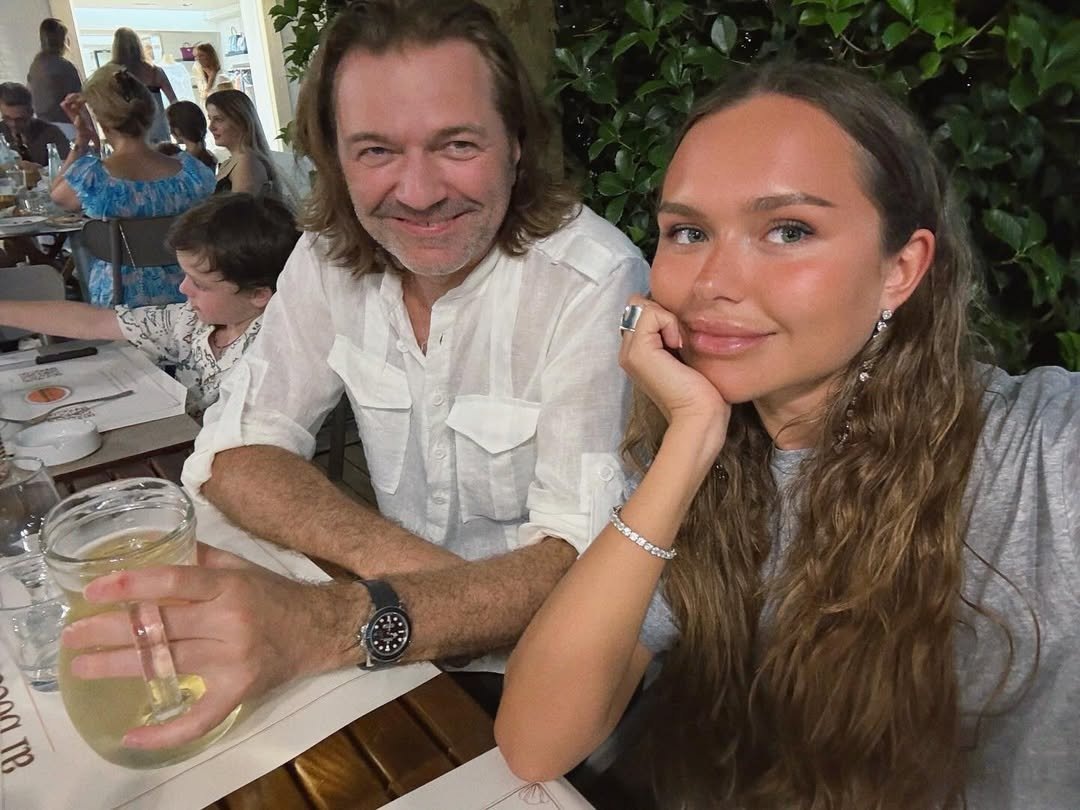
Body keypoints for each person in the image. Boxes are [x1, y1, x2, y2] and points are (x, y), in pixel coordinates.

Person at [60, 0, 647, 752]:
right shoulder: (329, 254)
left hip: (550, 683)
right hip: (400, 649)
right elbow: (232, 454)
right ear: (334, 160)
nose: (420, 192)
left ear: (518, 146)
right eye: (375, 151)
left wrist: (333, 620)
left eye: (457, 144)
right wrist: (422, 589)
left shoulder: (593, 280)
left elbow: (582, 566)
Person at [494, 62, 1080, 809]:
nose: (713, 281)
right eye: (688, 232)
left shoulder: (1039, 454)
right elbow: (536, 740)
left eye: (788, 230)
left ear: (901, 269)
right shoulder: (710, 458)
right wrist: (688, 444)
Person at [0, 193, 295, 417]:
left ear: (258, 295)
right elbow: (93, 322)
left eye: (201, 284)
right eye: (185, 276)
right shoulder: (191, 322)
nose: (183, 288)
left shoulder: (271, 356)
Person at [51, 65, 216, 307]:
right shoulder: (193, 175)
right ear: (150, 114)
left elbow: (56, 195)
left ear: (103, 122)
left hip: (120, 303)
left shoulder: (93, 178)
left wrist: (82, 140)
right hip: (188, 295)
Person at [110, 26, 177, 144]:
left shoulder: (115, 75)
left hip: (132, 134)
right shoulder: (155, 71)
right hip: (158, 129)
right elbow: (174, 101)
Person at [205, 89, 278, 197]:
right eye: (210, 119)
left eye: (218, 119)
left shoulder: (247, 164)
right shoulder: (234, 161)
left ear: (241, 121)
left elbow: (241, 207)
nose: (211, 127)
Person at [27, 18, 84, 140]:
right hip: (67, 127)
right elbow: (79, 103)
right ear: (63, 40)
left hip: (42, 129)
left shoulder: (35, 66)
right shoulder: (65, 66)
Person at [0, 81, 69, 168]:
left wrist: (40, 170)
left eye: (20, 119)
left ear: (31, 113)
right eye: (7, 118)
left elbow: (69, 167)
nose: (13, 124)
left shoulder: (51, 133)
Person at [166, 100, 217, 170]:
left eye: (170, 126)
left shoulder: (178, 163)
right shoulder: (211, 157)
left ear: (177, 130)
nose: (170, 132)